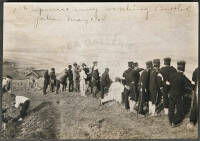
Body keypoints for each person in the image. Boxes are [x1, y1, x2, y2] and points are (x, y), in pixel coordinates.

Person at [168, 61, 192, 127]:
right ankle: (174, 121)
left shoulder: (172, 75)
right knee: (180, 110)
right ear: (183, 69)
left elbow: (168, 83)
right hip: (178, 95)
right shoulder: (183, 77)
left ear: (177, 67)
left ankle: (170, 121)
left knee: (171, 109)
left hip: (171, 94)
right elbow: (189, 84)